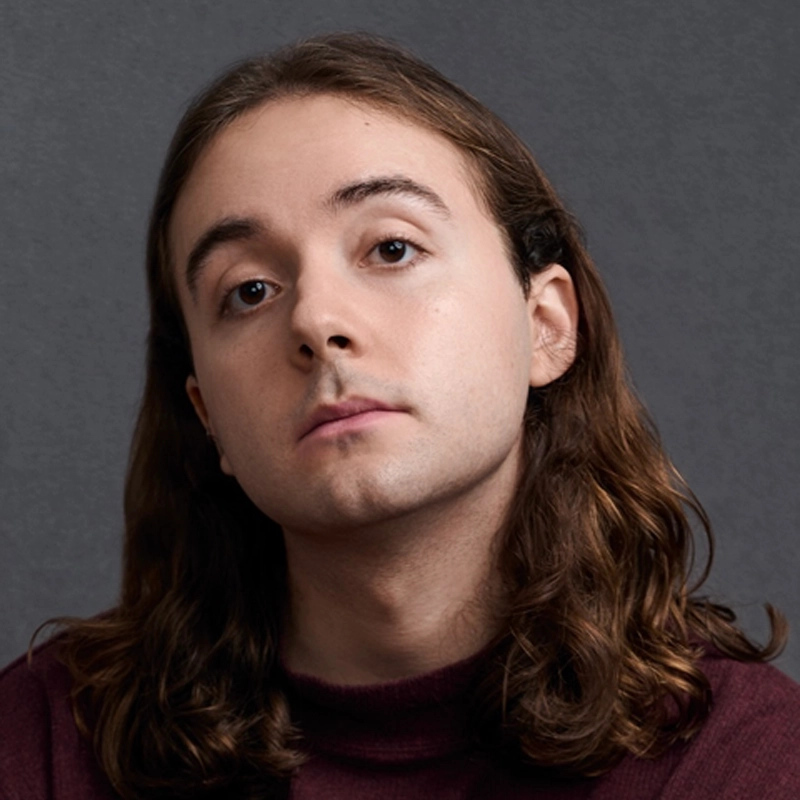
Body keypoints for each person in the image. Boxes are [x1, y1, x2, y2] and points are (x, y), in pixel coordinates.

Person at [1, 32, 798, 800]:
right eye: (249, 291)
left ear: (546, 326)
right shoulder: (41, 744)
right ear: (208, 416)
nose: (316, 320)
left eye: (391, 248)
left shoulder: (744, 761)